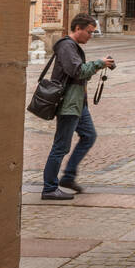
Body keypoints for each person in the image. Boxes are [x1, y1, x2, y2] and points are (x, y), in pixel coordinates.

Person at [42, 13, 113, 200]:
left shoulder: (73, 47)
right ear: (78, 29)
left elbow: (77, 74)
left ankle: (68, 177)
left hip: (78, 103)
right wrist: (99, 64)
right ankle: (49, 188)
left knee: (89, 136)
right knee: (61, 146)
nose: (91, 36)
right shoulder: (66, 46)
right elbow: (77, 71)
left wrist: (98, 66)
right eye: (89, 32)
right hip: (68, 104)